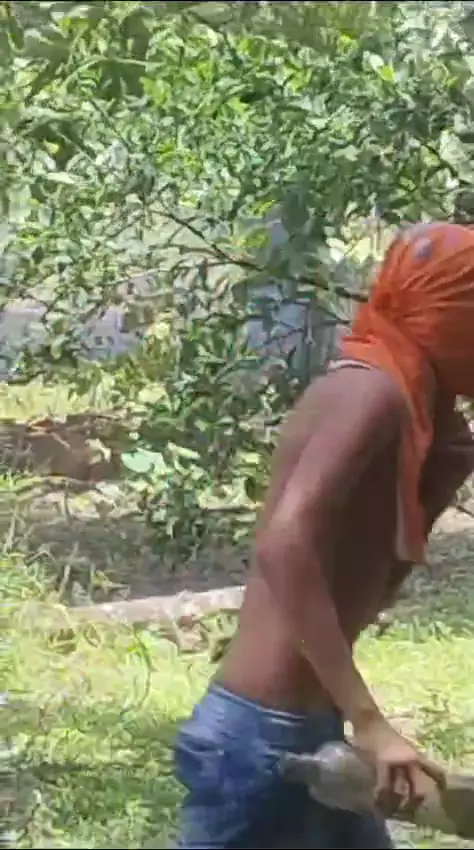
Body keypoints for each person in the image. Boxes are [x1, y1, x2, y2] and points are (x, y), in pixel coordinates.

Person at [173, 222, 474, 849]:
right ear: (450, 317)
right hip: (260, 740)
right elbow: (285, 545)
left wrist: (444, 471)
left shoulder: (410, 407)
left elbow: (361, 587)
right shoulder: (369, 389)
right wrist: (371, 722)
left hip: (306, 727)